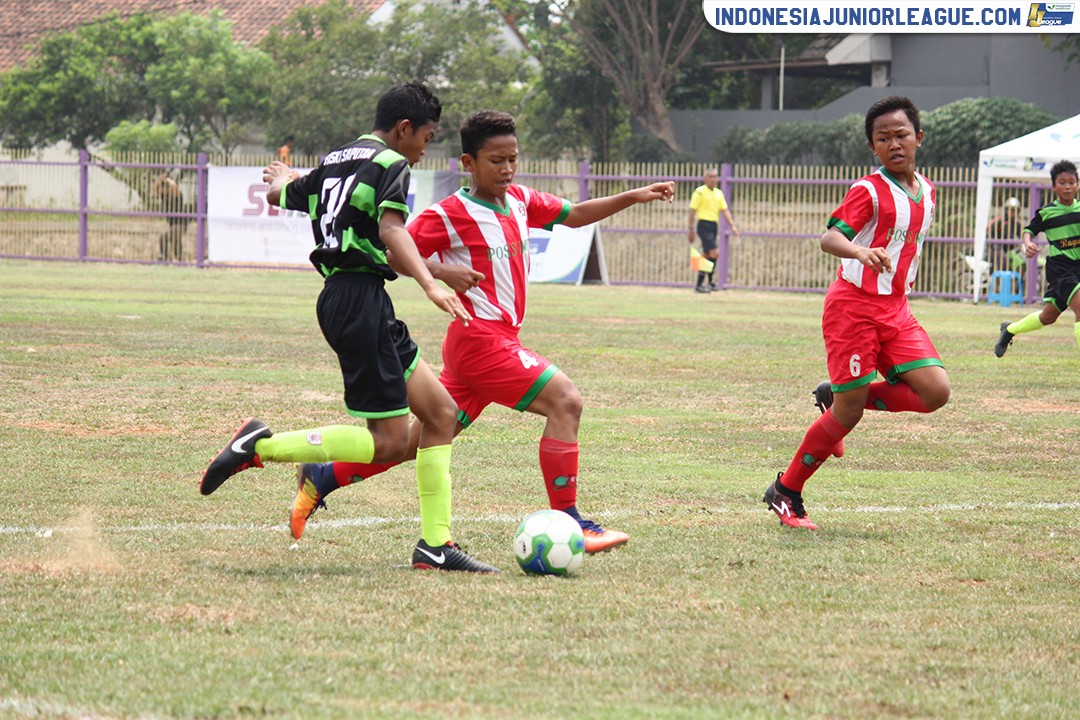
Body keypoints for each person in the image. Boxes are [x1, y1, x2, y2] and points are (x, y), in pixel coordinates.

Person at [289, 110, 676, 553]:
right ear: (468, 163)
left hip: (492, 345)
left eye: (513, 159)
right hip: (480, 342)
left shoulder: (520, 201)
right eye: (496, 160)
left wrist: (634, 196)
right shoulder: (450, 213)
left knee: (415, 441)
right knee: (566, 401)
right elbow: (395, 252)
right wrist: (438, 271)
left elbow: (576, 214)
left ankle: (322, 476)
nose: (507, 169)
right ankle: (572, 523)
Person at [200, 83, 498, 573]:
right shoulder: (390, 165)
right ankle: (261, 447)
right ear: (405, 129)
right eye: (427, 136)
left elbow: (281, 193)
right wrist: (430, 282)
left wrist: (280, 176)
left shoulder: (337, 159)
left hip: (360, 300)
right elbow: (391, 231)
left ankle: (435, 546)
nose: (425, 149)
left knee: (441, 414)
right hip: (358, 301)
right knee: (389, 441)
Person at [763, 96, 951, 530]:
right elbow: (830, 238)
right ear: (873, 148)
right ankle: (786, 491)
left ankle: (841, 393)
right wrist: (859, 250)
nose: (894, 144)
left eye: (901, 135)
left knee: (936, 392)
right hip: (853, 309)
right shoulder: (868, 190)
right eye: (882, 138)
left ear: (919, 138)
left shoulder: (928, 191)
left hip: (896, 309)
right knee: (849, 414)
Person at [994, 159, 1080, 357]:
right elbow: (1029, 230)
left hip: (1078, 268)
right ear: (1053, 186)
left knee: (1048, 316)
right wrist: (1028, 242)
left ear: (1077, 184)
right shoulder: (1047, 212)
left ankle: (1009, 329)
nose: (1067, 187)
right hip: (1061, 269)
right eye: (1062, 182)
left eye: (1071, 182)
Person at [687, 168, 739, 293]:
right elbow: (692, 211)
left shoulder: (718, 193)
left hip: (713, 225)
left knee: (707, 254)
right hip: (703, 225)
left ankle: (701, 284)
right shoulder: (699, 192)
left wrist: (732, 225)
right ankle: (709, 282)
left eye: (715, 176)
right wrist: (690, 229)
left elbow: (724, 210)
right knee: (714, 253)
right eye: (710, 176)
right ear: (705, 178)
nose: (713, 179)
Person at [151, 170, 187, 261]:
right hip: (173, 225)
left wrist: (167, 179)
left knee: (164, 238)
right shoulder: (164, 196)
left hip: (180, 224)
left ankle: (164, 257)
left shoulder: (177, 196)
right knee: (175, 241)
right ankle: (179, 259)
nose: (162, 190)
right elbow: (155, 190)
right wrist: (160, 180)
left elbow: (174, 186)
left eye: (164, 188)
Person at [986, 196, 1025, 271]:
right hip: (996, 248)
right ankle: (1001, 280)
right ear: (1006, 210)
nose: (1012, 212)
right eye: (1010, 210)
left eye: (1015, 210)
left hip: (1009, 250)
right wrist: (993, 243)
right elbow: (988, 231)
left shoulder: (1017, 224)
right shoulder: (999, 221)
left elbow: (1023, 237)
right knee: (1004, 260)